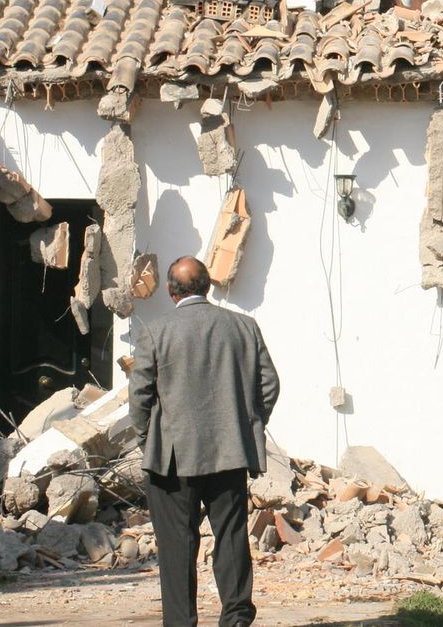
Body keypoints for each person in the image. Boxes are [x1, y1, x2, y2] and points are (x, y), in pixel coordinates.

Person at [129, 256, 280, 627]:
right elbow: (270, 384)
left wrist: (146, 437)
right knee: (231, 537)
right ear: (208, 286)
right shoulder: (244, 327)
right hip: (230, 453)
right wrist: (246, 426)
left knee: (178, 544)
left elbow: (140, 395)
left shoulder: (155, 331)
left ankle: (181, 622)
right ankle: (237, 617)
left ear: (169, 290)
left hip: (172, 457)